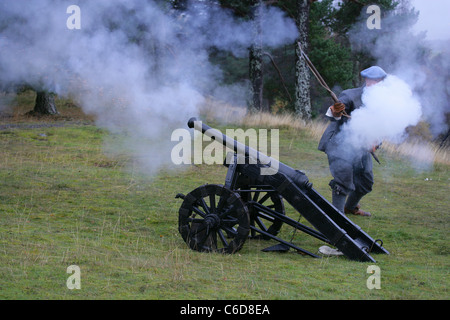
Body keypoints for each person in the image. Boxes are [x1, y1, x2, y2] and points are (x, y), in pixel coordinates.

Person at [318, 66, 387, 217]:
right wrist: (335, 111)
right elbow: (333, 112)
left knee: (366, 183)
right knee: (343, 181)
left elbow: (383, 126)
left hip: (361, 147)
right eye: (372, 80)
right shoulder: (349, 95)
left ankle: (350, 208)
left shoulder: (384, 101)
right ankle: (337, 218)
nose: (375, 83)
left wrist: (376, 143)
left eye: (379, 81)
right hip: (339, 144)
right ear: (366, 80)